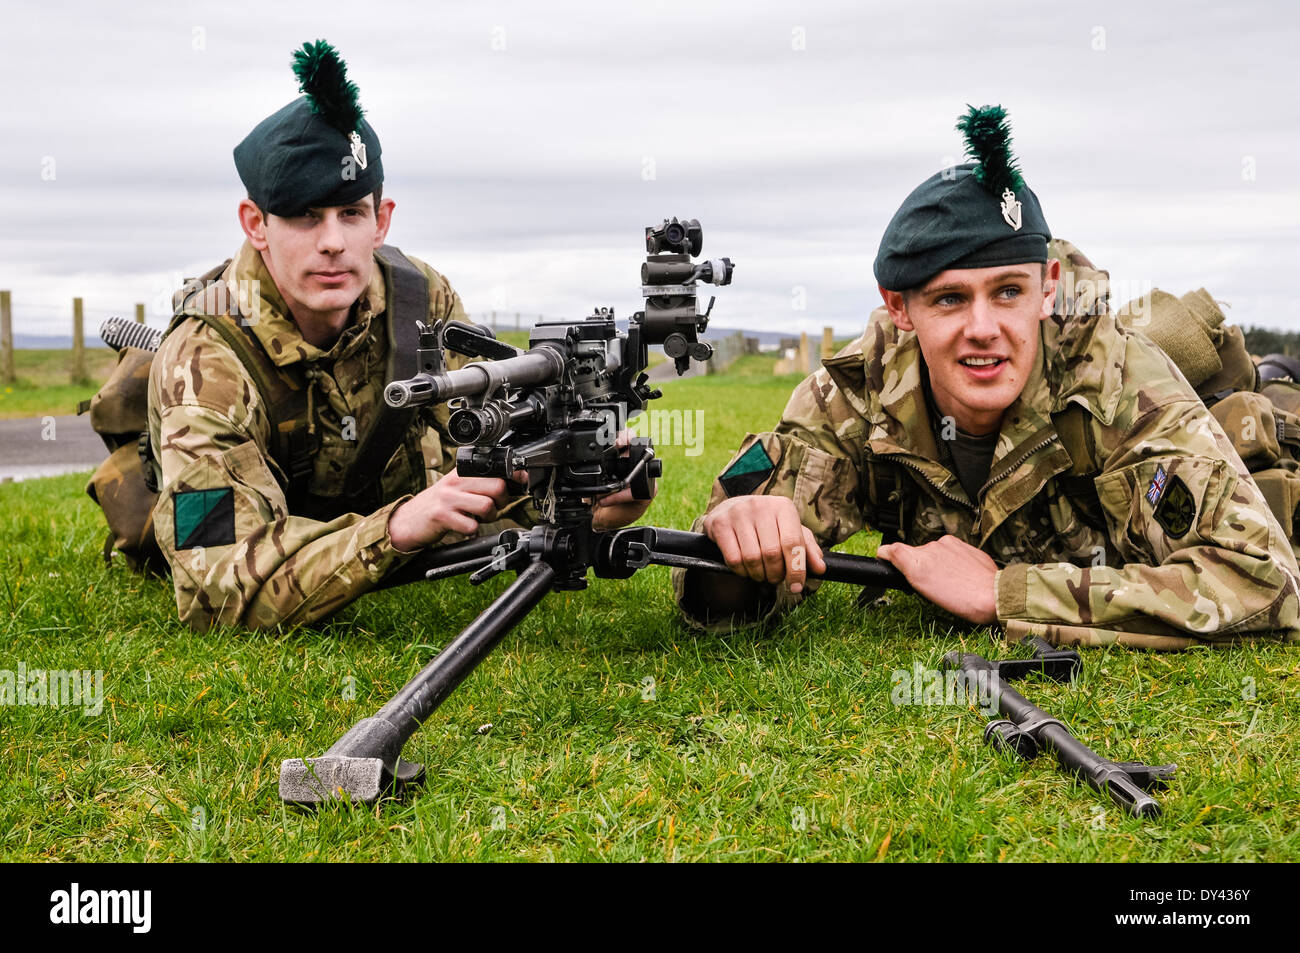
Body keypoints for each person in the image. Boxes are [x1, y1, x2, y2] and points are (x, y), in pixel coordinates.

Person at [675, 105, 1300, 650]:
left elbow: (1262, 578)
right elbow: (722, 563)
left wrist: (1007, 594)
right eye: (949, 300)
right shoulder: (855, 395)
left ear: (1047, 287)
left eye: (1008, 292)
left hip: (1218, 412)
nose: (983, 329)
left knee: (1265, 434)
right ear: (900, 307)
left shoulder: (1118, 381)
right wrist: (734, 544)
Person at [148, 41, 649, 630]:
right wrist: (396, 529)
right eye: (306, 217)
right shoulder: (206, 357)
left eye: (351, 215)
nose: (332, 241)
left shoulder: (421, 301)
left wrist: (576, 491)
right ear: (256, 224)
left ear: (381, 220)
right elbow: (219, 589)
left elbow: (484, 465)